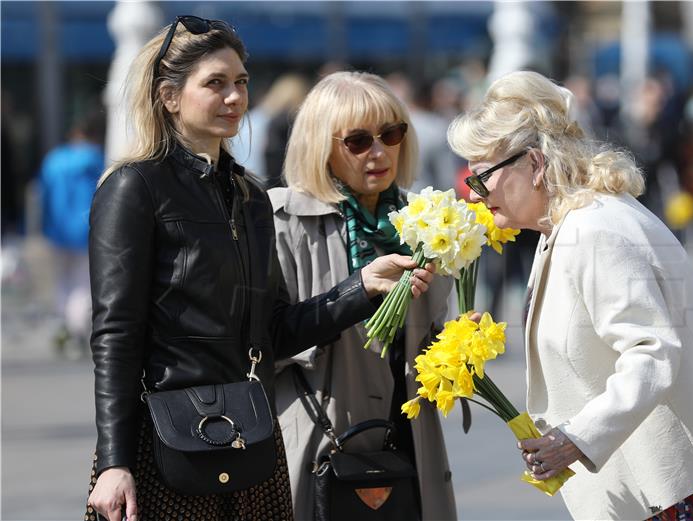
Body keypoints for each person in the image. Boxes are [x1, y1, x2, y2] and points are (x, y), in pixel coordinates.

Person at [84, 18, 434, 521]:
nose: (235, 96)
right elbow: (115, 333)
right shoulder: (134, 188)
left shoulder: (248, 196)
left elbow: (273, 331)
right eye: (216, 83)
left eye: (242, 82)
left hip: (249, 438)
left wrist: (361, 287)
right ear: (169, 96)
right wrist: (114, 463)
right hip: (163, 441)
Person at [447, 70, 693, 521]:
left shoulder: (594, 229)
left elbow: (653, 350)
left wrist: (575, 438)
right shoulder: (568, 224)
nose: (475, 193)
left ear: (536, 164)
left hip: (672, 487)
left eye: (482, 177)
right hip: (651, 482)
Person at [268, 71, 457, 521]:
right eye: (357, 140)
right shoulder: (283, 220)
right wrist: (359, 290)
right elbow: (262, 342)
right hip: (322, 448)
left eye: (391, 134)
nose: (378, 152)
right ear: (321, 145)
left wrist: (454, 351)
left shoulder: (426, 221)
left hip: (407, 447)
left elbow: (417, 346)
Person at [39, 110, 105, 354]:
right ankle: (77, 329)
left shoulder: (54, 160)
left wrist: (43, 226)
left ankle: (64, 324)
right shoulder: (99, 159)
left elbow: (43, 195)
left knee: (62, 280)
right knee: (83, 282)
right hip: (87, 229)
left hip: (57, 229)